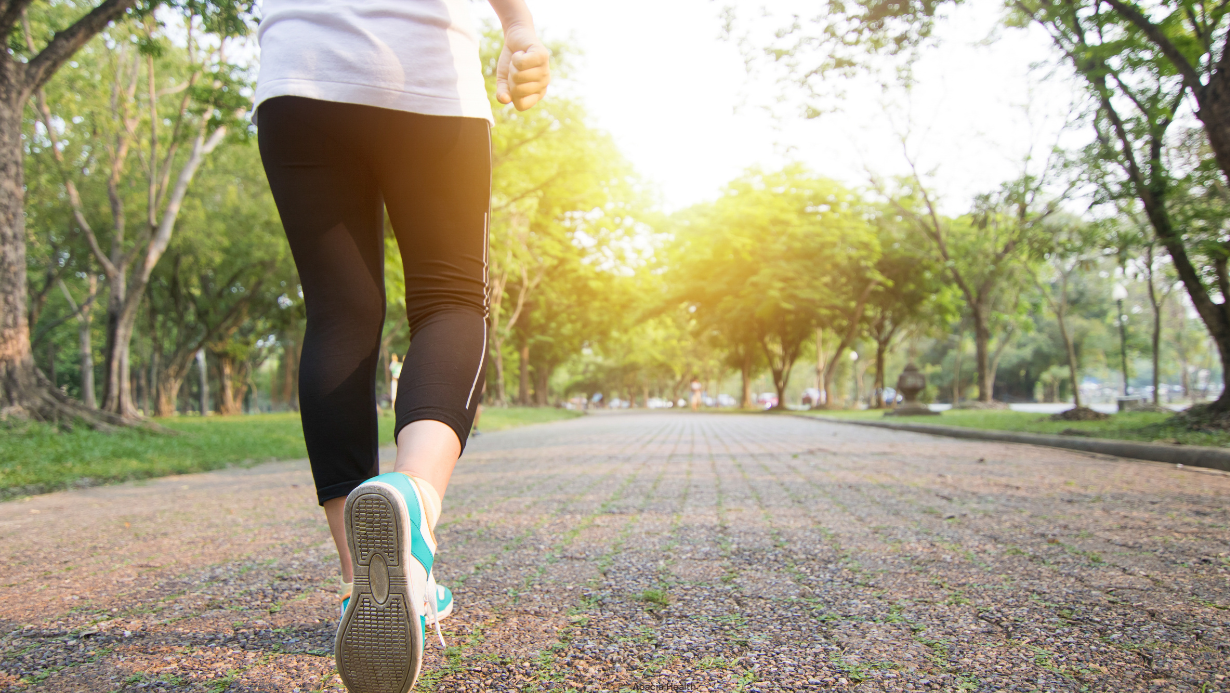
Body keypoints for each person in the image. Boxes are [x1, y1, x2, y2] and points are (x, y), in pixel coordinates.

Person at [253, 1, 550, 690]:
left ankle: (365, 584)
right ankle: (414, 503)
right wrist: (519, 27)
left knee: (339, 313)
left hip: (299, 71)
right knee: (450, 299)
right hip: (423, 67)